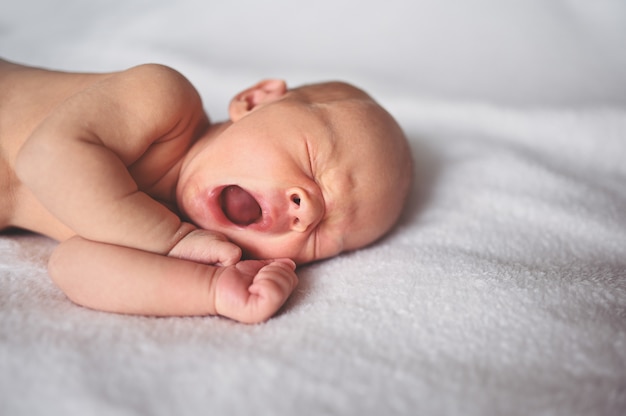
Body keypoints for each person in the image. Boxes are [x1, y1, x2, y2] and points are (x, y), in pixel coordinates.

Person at [0, 58, 412, 323]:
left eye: (325, 238)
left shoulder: (182, 240)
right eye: (312, 160)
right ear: (254, 100)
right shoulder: (164, 102)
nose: (307, 213)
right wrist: (170, 238)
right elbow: (46, 158)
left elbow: (73, 267)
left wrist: (211, 291)